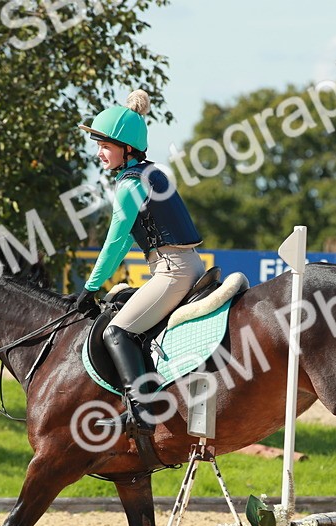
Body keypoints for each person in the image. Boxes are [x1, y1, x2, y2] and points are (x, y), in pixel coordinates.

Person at [75, 89, 206, 441]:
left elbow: (116, 242)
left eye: (105, 146)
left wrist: (90, 288)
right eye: (98, 146)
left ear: (127, 149)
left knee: (116, 331)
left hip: (172, 271)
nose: (99, 153)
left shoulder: (130, 184)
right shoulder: (151, 173)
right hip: (187, 266)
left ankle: (141, 413)